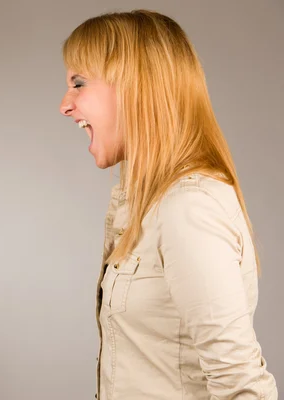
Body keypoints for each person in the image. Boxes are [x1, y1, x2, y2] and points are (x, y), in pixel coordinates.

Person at [59, 10, 277, 400]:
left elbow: (240, 386)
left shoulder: (188, 208)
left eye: (79, 83)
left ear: (135, 87)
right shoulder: (143, 205)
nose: (65, 104)